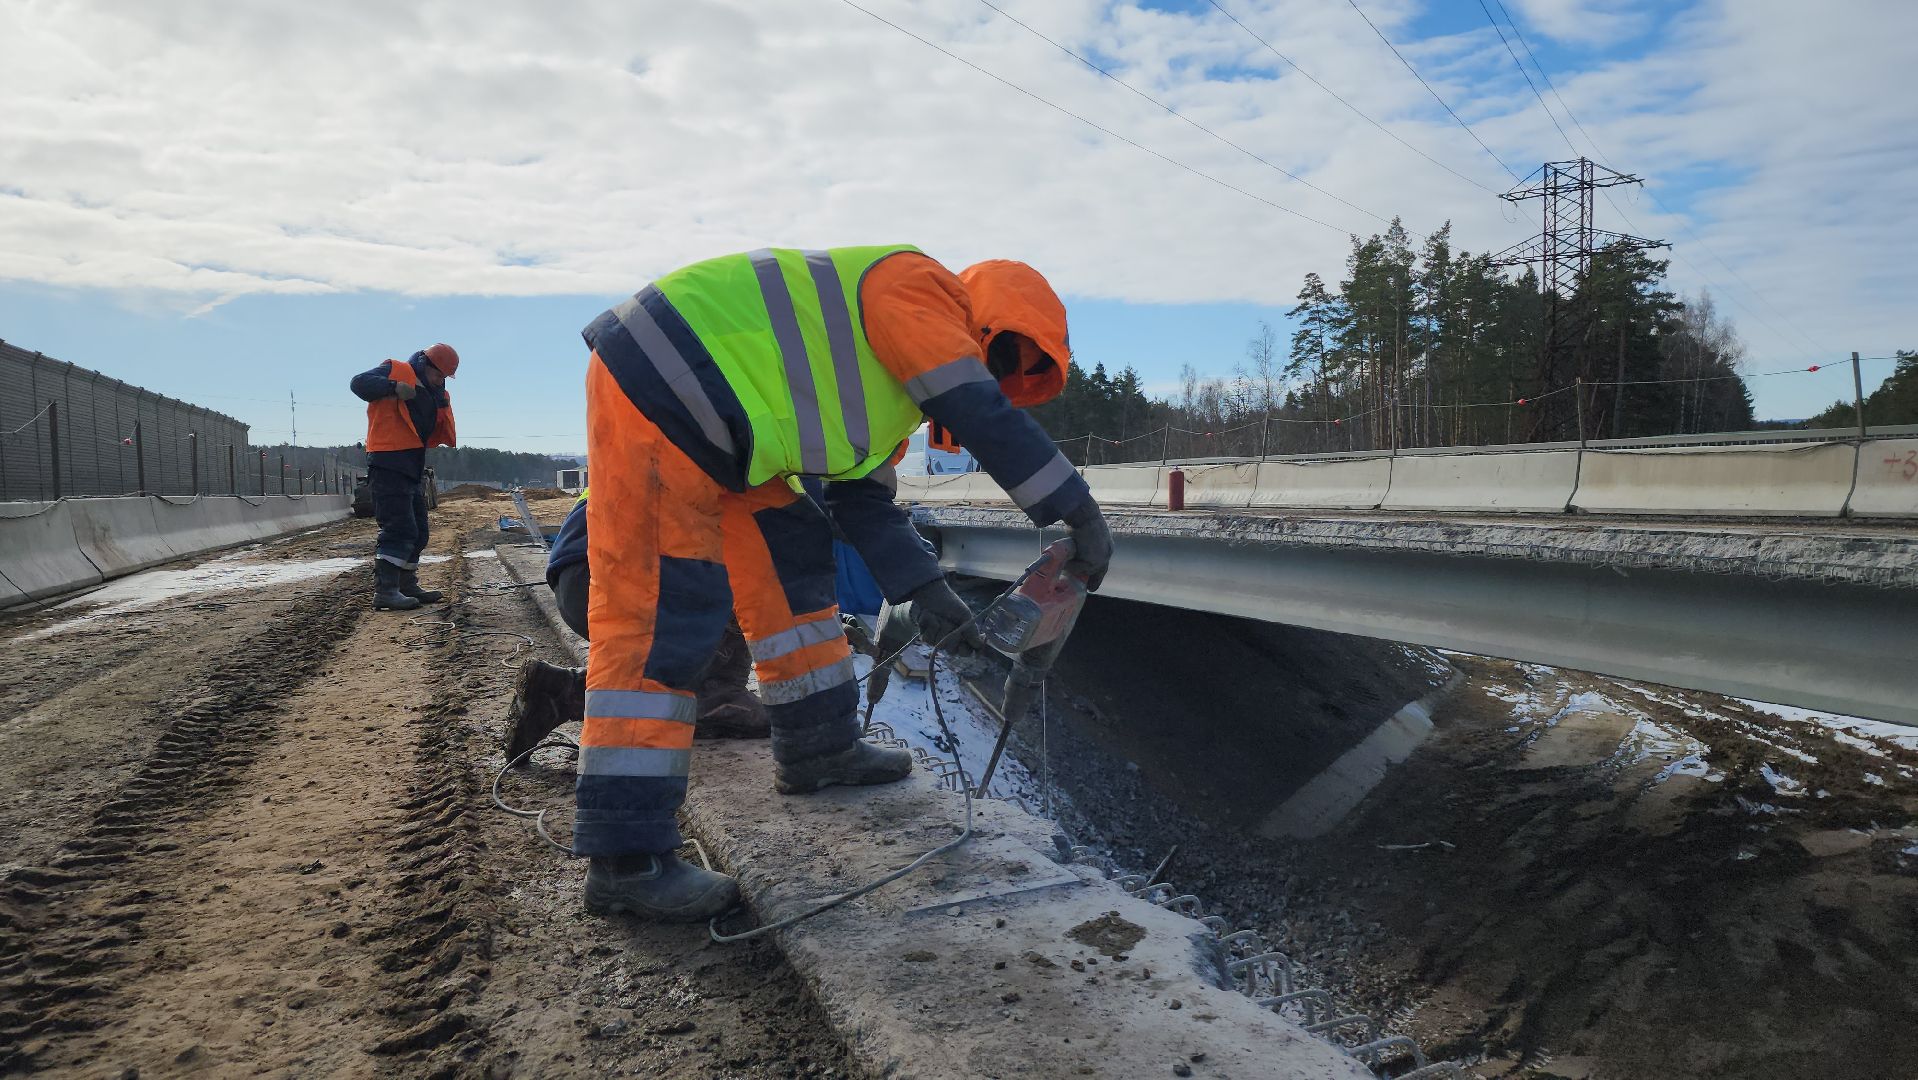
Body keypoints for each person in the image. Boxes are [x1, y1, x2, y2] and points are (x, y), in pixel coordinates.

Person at [572, 245, 1112, 922]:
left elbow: (864, 503)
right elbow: (977, 407)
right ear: (981, 323)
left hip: (732, 437)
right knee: (659, 618)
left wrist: (925, 588)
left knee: (794, 573)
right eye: (1003, 358)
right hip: (660, 386)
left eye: (1016, 375)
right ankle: (626, 859)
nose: (1000, 378)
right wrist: (1078, 511)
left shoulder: (891, 406)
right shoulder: (914, 286)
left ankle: (818, 749)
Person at [502, 461, 978, 762]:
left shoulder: (747, 437)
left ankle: (567, 691)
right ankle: (581, 694)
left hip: (586, 576)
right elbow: (840, 523)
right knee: (757, 581)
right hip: (628, 577)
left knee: (728, 589)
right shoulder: (795, 473)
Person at [350, 344, 459, 610]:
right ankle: (385, 591)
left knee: (419, 531)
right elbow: (358, 383)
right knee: (399, 528)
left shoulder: (434, 392)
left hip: (411, 466)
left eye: (445, 377)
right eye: (438, 375)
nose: (440, 381)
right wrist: (393, 387)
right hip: (387, 462)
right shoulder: (395, 370)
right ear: (425, 364)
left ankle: (406, 585)